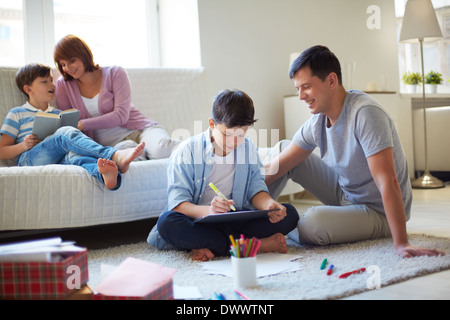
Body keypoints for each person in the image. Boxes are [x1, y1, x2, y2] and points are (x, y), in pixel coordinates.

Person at [264, 45, 444, 258]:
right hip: (345, 193)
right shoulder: (317, 121)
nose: (301, 96)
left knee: (312, 223)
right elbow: (279, 165)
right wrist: (240, 198)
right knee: (283, 151)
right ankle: (252, 223)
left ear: (331, 81)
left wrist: (402, 243)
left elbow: (388, 181)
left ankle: (281, 234)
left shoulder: (366, 113)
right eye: (298, 89)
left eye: (306, 87)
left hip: (379, 212)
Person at [147, 89, 299, 261]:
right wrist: (210, 211)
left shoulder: (247, 148)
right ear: (212, 124)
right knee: (167, 223)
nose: (234, 142)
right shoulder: (187, 151)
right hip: (199, 222)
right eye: (226, 134)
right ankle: (255, 245)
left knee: (290, 214)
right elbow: (178, 204)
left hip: (235, 220)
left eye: (240, 135)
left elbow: (256, 190)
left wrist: (270, 205)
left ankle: (213, 245)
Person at [0, 63, 145, 190]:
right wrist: (24, 145)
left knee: (74, 157)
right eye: (44, 81)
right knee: (64, 134)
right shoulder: (17, 114)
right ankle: (114, 155)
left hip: (58, 157)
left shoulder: (59, 114)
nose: (52, 84)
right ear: (28, 89)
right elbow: (2, 151)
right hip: (29, 159)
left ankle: (106, 175)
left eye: (52, 80)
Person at [53, 34, 180, 160]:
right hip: (113, 145)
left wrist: (83, 124)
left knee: (161, 149)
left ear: (83, 55)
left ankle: (197, 147)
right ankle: (144, 154)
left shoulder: (115, 73)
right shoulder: (63, 85)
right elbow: (68, 123)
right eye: (63, 64)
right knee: (130, 157)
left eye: (71, 61)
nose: (67, 68)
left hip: (141, 131)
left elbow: (121, 115)